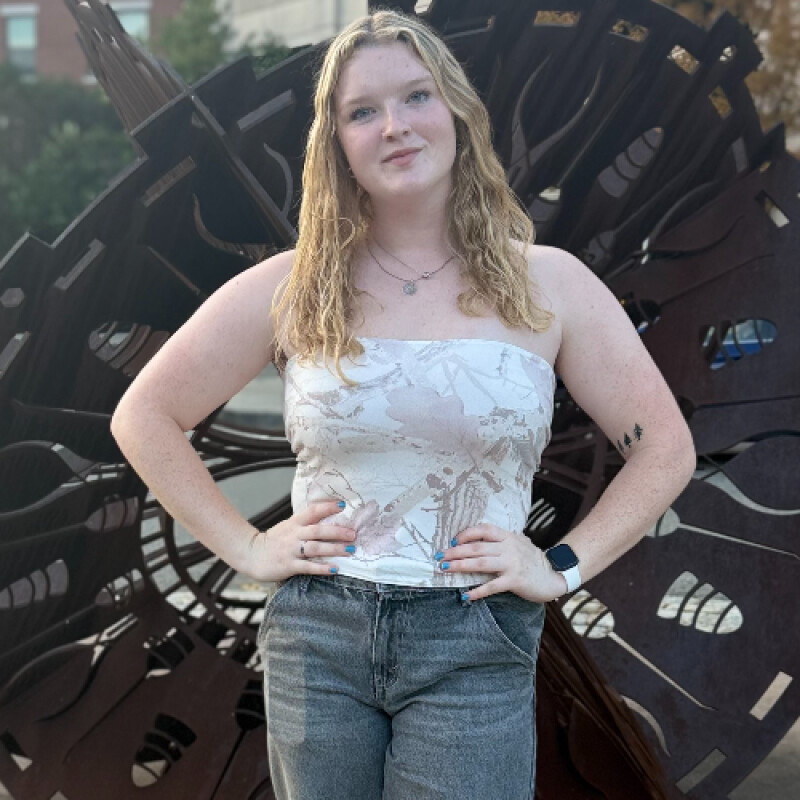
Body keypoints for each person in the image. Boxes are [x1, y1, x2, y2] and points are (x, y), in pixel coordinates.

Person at [111, 8, 696, 800]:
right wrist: (247, 547)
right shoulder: (296, 285)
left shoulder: (548, 284)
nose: (394, 126)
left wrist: (560, 565)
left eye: (416, 96)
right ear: (338, 144)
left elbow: (664, 448)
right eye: (363, 111)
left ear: (456, 112)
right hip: (318, 634)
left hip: (473, 633)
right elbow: (144, 416)